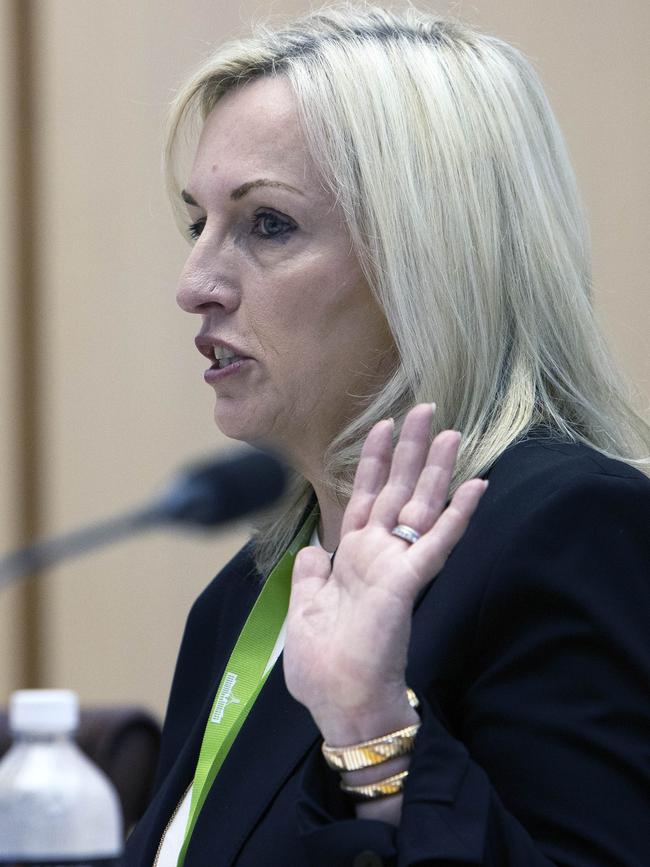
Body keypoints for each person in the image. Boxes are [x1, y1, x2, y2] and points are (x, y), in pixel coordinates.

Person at [124, 6, 650, 866]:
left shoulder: (569, 531)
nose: (195, 283)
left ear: (426, 260)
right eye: (199, 225)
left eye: (266, 224)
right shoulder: (247, 593)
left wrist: (374, 731)